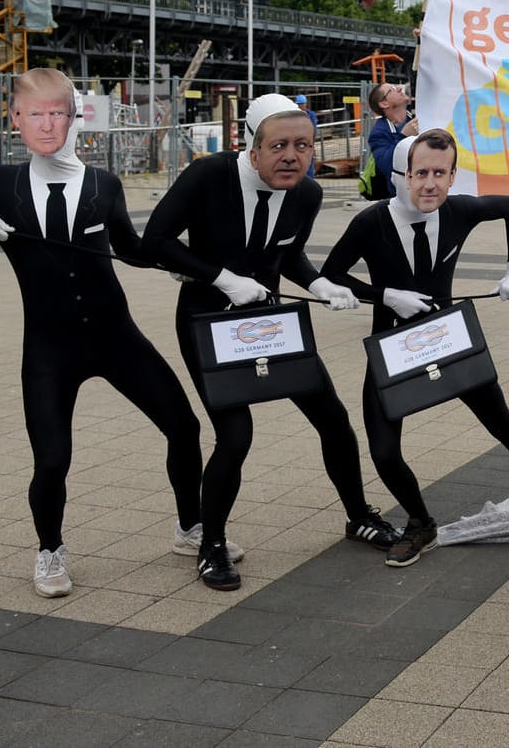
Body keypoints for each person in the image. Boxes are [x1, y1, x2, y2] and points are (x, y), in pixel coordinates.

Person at [0, 68, 207, 598]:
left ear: (74, 117)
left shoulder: (103, 184)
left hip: (116, 337)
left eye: (57, 112)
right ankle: (49, 551)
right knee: (52, 459)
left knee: (184, 427)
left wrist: (182, 265)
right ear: (16, 119)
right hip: (49, 347)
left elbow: (130, 248)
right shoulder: (1, 184)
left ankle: (190, 527)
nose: (47, 123)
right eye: (35, 113)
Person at [144, 93, 398, 591]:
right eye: (279, 145)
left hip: (269, 319)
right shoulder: (209, 176)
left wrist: (321, 284)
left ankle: (357, 514)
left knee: (333, 419)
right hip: (208, 320)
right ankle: (209, 542)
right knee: (235, 436)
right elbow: (155, 240)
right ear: (251, 147)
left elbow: (289, 254)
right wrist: (220, 277)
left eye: (303, 146)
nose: (292, 156)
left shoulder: (306, 194)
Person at [322, 130, 509, 567]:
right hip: (393, 346)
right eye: (420, 174)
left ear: (453, 176)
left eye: (441, 173)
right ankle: (420, 522)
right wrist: (386, 295)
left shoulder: (457, 211)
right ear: (400, 176)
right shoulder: (371, 222)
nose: (431, 184)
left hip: (448, 335)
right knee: (382, 449)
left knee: (503, 422)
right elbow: (332, 274)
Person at [365, 82, 415, 200]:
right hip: (403, 196)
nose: (398, 88)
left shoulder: (418, 112)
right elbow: (387, 165)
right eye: (392, 89)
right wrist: (403, 136)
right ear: (384, 103)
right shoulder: (379, 133)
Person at [295, 94, 319, 177]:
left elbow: (314, 129)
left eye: (302, 104)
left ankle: (309, 180)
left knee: (308, 162)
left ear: (305, 104)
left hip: (307, 143)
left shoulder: (310, 115)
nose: (300, 106)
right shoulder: (294, 116)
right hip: (296, 143)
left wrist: (311, 142)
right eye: (299, 104)